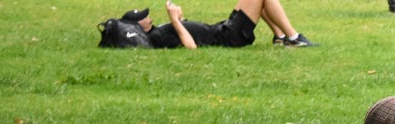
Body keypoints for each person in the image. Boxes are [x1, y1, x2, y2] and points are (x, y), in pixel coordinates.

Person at [121, 0, 314, 48]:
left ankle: (281, 37)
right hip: (226, 37)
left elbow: (187, 33)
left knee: (256, 4)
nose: (148, 17)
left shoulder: (157, 31)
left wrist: (179, 19)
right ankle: (294, 37)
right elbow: (191, 47)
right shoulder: (156, 37)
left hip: (222, 29)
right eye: (143, 17)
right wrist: (175, 22)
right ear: (139, 27)